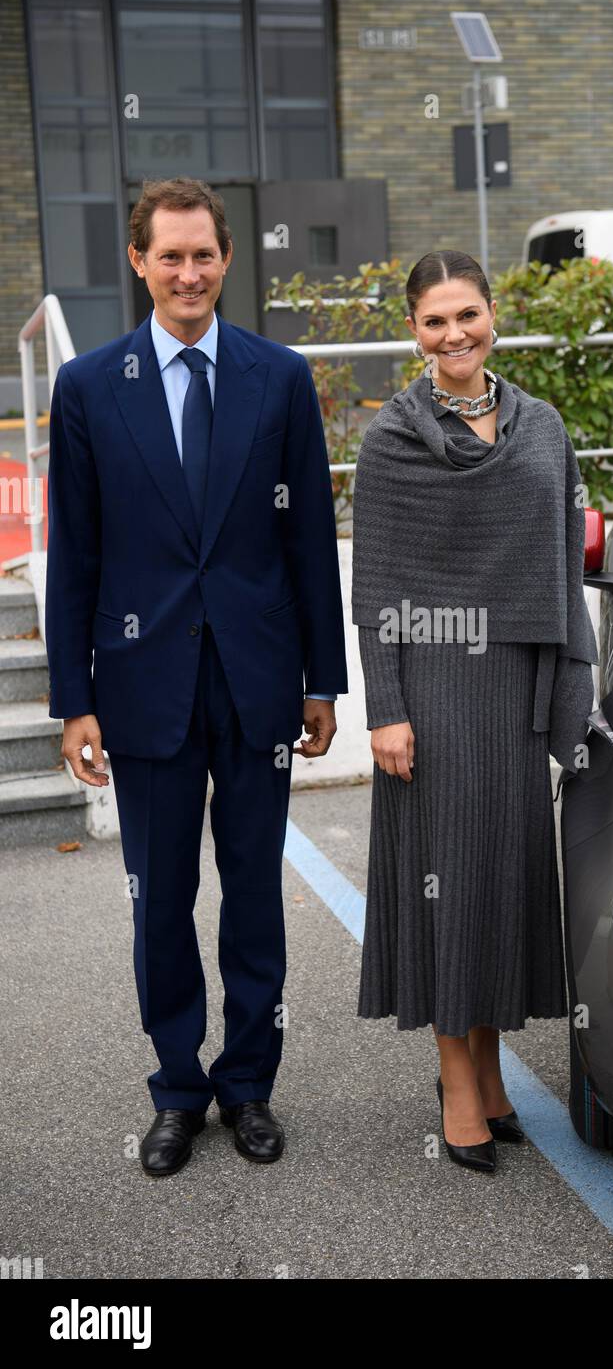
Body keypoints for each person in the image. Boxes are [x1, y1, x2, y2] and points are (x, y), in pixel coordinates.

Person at [45, 177, 348, 1177]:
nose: (187, 273)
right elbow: (75, 553)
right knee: (159, 897)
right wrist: (74, 696)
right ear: (139, 262)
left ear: (228, 257)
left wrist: (322, 680)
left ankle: (248, 1083)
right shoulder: (89, 387)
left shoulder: (279, 377)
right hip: (142, 685)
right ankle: (178, 1087)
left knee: (254, 893)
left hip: (257, 680)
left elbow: (308, 540)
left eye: (204, 254)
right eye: (168, 256)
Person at [352, 250, 598, 1174]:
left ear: (493, 313)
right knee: (447, 888)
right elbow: (374, 586)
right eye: (434, 320)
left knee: (499, 883)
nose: (454, 335)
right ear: (413, 329)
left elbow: (561, 564)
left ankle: (490, 1072)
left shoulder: (541, 426)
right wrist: (387, 709)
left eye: (468, 315)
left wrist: (566, 692)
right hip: (433, 692)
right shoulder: (393, 437)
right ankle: (457, 1083)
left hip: (513, 687)